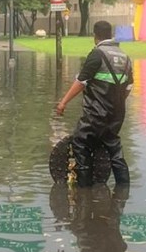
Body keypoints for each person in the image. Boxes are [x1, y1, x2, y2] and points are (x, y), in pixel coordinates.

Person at [55, 19, 132, 187]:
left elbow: (81, 82)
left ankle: (84, 190)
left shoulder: (97, 54)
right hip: (117, 114)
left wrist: (63, 103)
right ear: (110, 34)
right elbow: (128, 88)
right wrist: (115, 105)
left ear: (95, 36)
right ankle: (123, 190)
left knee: (80, 143)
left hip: (95, 113)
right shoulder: (125, 57)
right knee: (115, 150)